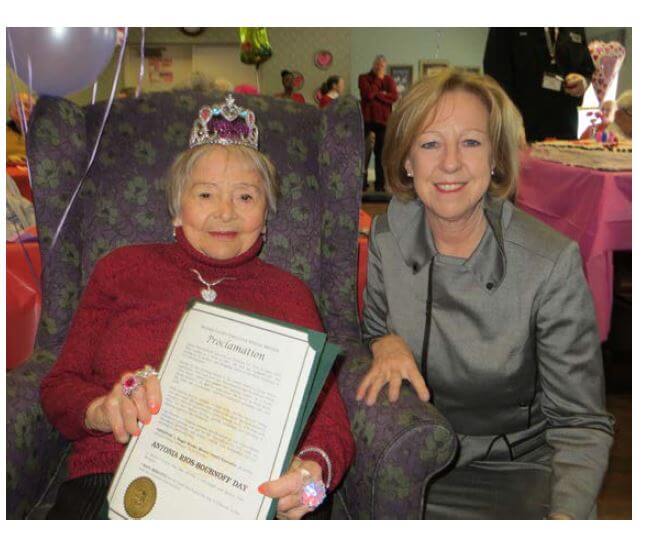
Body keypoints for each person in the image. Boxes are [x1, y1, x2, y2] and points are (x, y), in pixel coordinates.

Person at [38, 95, 354, 519]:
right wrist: (101, 410)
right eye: (205, 194)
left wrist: (311, 475)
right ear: (176, 208)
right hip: (112, 476)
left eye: (245, 197)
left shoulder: (291, 294)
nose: (225, 212)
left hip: (241, 494)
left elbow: (328, 419)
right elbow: (59, 388)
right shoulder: (120, 269)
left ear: (267, 213)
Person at [356, 70, 613, 519]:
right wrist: (383, 341)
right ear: (407, 161)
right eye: (431, 143)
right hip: (409, 460)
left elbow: (580, 422)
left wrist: (566, 515)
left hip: (516, 470)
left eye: (471, 143)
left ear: (495, 157)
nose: (451, 163)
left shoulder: (550, 263)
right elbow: (369, 330)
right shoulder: (386, 237)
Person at [484, 27, 595, 142]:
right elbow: (495, 77)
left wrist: (583, 81)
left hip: (565, 128)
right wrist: (509, 124)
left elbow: (586, 68)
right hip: (520, 128)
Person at [358, 54, 399, 192]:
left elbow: (394, 97)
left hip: (383, 122)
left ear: (385, 66)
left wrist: (378, 94)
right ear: (373, 64)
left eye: (382, 65)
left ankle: (380, 185)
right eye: (377, 64)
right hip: (367, 120)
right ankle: (361, 184)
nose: (379, 67)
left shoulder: (389, 80)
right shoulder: (363, 78)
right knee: (363, 152)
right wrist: (378, 82)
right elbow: (368, 95)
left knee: (381, 154)